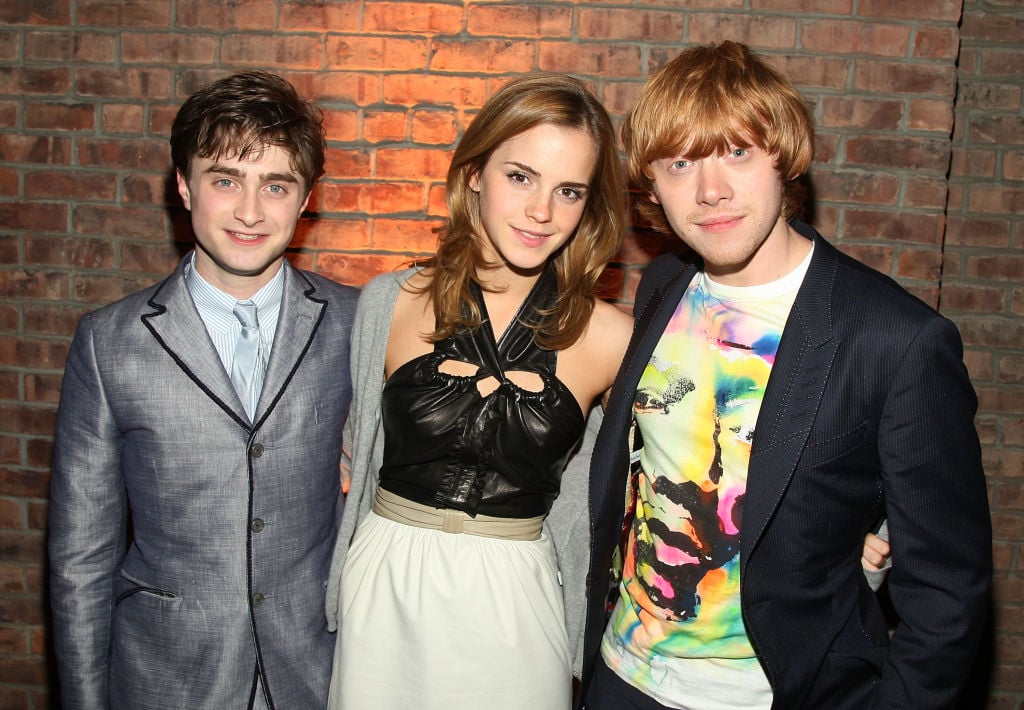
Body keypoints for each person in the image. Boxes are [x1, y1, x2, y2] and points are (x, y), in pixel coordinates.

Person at [578, 41, 992, 710]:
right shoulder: (664, 284)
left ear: (785, 156)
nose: (710, 191)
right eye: (680, 164)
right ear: (651, 184)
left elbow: (947, 596)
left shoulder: (896, 340)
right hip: (622, 680)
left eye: (738, 152)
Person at [48, 71, 358, 709]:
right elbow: (81, 559)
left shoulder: (358, 323)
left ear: (306, 199)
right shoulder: (110, 343)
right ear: (184, 186)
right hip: (168, 678)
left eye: (276, 185)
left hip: (317, 675)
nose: (250, 212)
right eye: (226, 181)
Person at [323, 72, 634, 709]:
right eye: (520, 176)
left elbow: (672, 471)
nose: (542, 211)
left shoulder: (611, 337)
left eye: (569, 191)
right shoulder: (390, 302)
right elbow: (350, 447)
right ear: (473, 174)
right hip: (385, 584)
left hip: (517, 594)